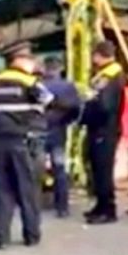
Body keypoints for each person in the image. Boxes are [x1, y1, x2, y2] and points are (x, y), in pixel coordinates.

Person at [0, 41, 53, 249]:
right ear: (19, 60)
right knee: (27, 189)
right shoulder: (30, 82)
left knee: (2, 189)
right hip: (24, 141)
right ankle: (31, 234)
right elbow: (49, 102)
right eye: (30, 59)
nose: (33, 63)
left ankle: (1, 236)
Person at [81, 41, 125, 225]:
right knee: (97, 168)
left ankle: (108, 209)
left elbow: (104, 105)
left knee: (103, 170)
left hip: (104, 128)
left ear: (99, 55)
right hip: (100, 128)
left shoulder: (110, 75)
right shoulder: (105, 73)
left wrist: (89, 114)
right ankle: (100, 205)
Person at [42, 57, 82, 217]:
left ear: (45, 68)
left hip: (38, 131)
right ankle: (62, 207)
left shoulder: (38, 85)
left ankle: (33, 203)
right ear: (60, 69)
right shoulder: (68, 86)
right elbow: (76, 110)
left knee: (33, 169)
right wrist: (65, 121)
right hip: (58, 131)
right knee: (59, 168)